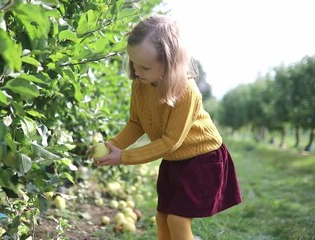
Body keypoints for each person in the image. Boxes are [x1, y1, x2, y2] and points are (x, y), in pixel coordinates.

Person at [93, 15, 242, 240]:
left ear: (170, 63)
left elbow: (170, 141)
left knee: (177, 219)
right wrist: (113, 145)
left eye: (144, 66)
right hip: (174, 161)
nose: (137, 71)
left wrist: (124, 156)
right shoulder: (141, 84)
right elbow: (136, 122)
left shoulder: (186, 91)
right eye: (133, 63)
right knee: (162, 217)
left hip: (203, 160)